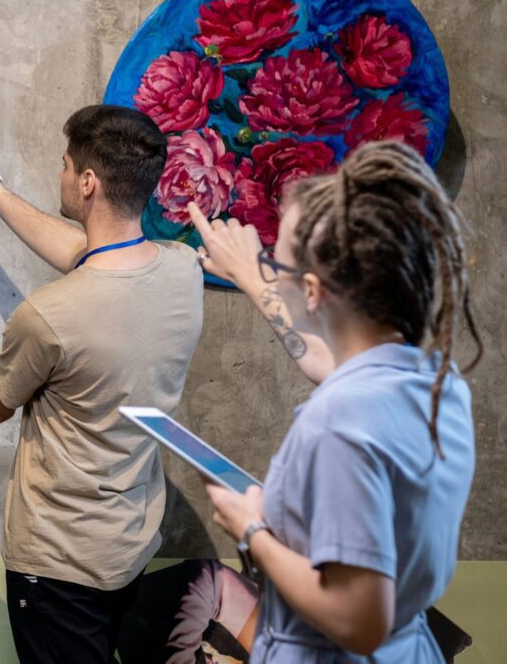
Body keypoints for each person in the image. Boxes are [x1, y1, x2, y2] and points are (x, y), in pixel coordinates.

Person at [0, 106, 205, 663]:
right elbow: (91, 256)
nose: (60, 174)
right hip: (128, 547)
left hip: (57, 564)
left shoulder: (49, 316)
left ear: (87, 182)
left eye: (66, 166)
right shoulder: (182, 270)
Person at [188, 140, 482, 661]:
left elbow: (357, 621)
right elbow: (330, 362)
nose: (270, 272)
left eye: (276, 263)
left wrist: (252, 528)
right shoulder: (433, 383)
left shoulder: (340, 419)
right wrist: (251, 276)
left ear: (313, 291)